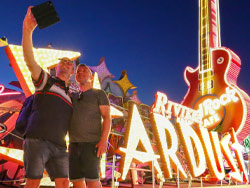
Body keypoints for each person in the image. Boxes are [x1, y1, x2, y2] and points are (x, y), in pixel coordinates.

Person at [22, 7, 74, 188]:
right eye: (63, 62)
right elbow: (29, 60)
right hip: (37, 139)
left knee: (64, 183)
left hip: (60, 146)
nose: (66, 64)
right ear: (57, 67)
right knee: (33, 182)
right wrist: (27, 30)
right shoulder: (46, 81)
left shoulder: (72, 96)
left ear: (72, 71)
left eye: (70, 63)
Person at [69, 64, 111, 188]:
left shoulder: (99, 94)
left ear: (91, 76)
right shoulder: (72, 96)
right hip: (73, 144)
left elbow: (107, 117)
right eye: (78, 71)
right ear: (76, 77)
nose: (81, 73)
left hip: (92, 144)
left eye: (84, 71)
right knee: (76, 181)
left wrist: (104, 140)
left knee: (92, 181)